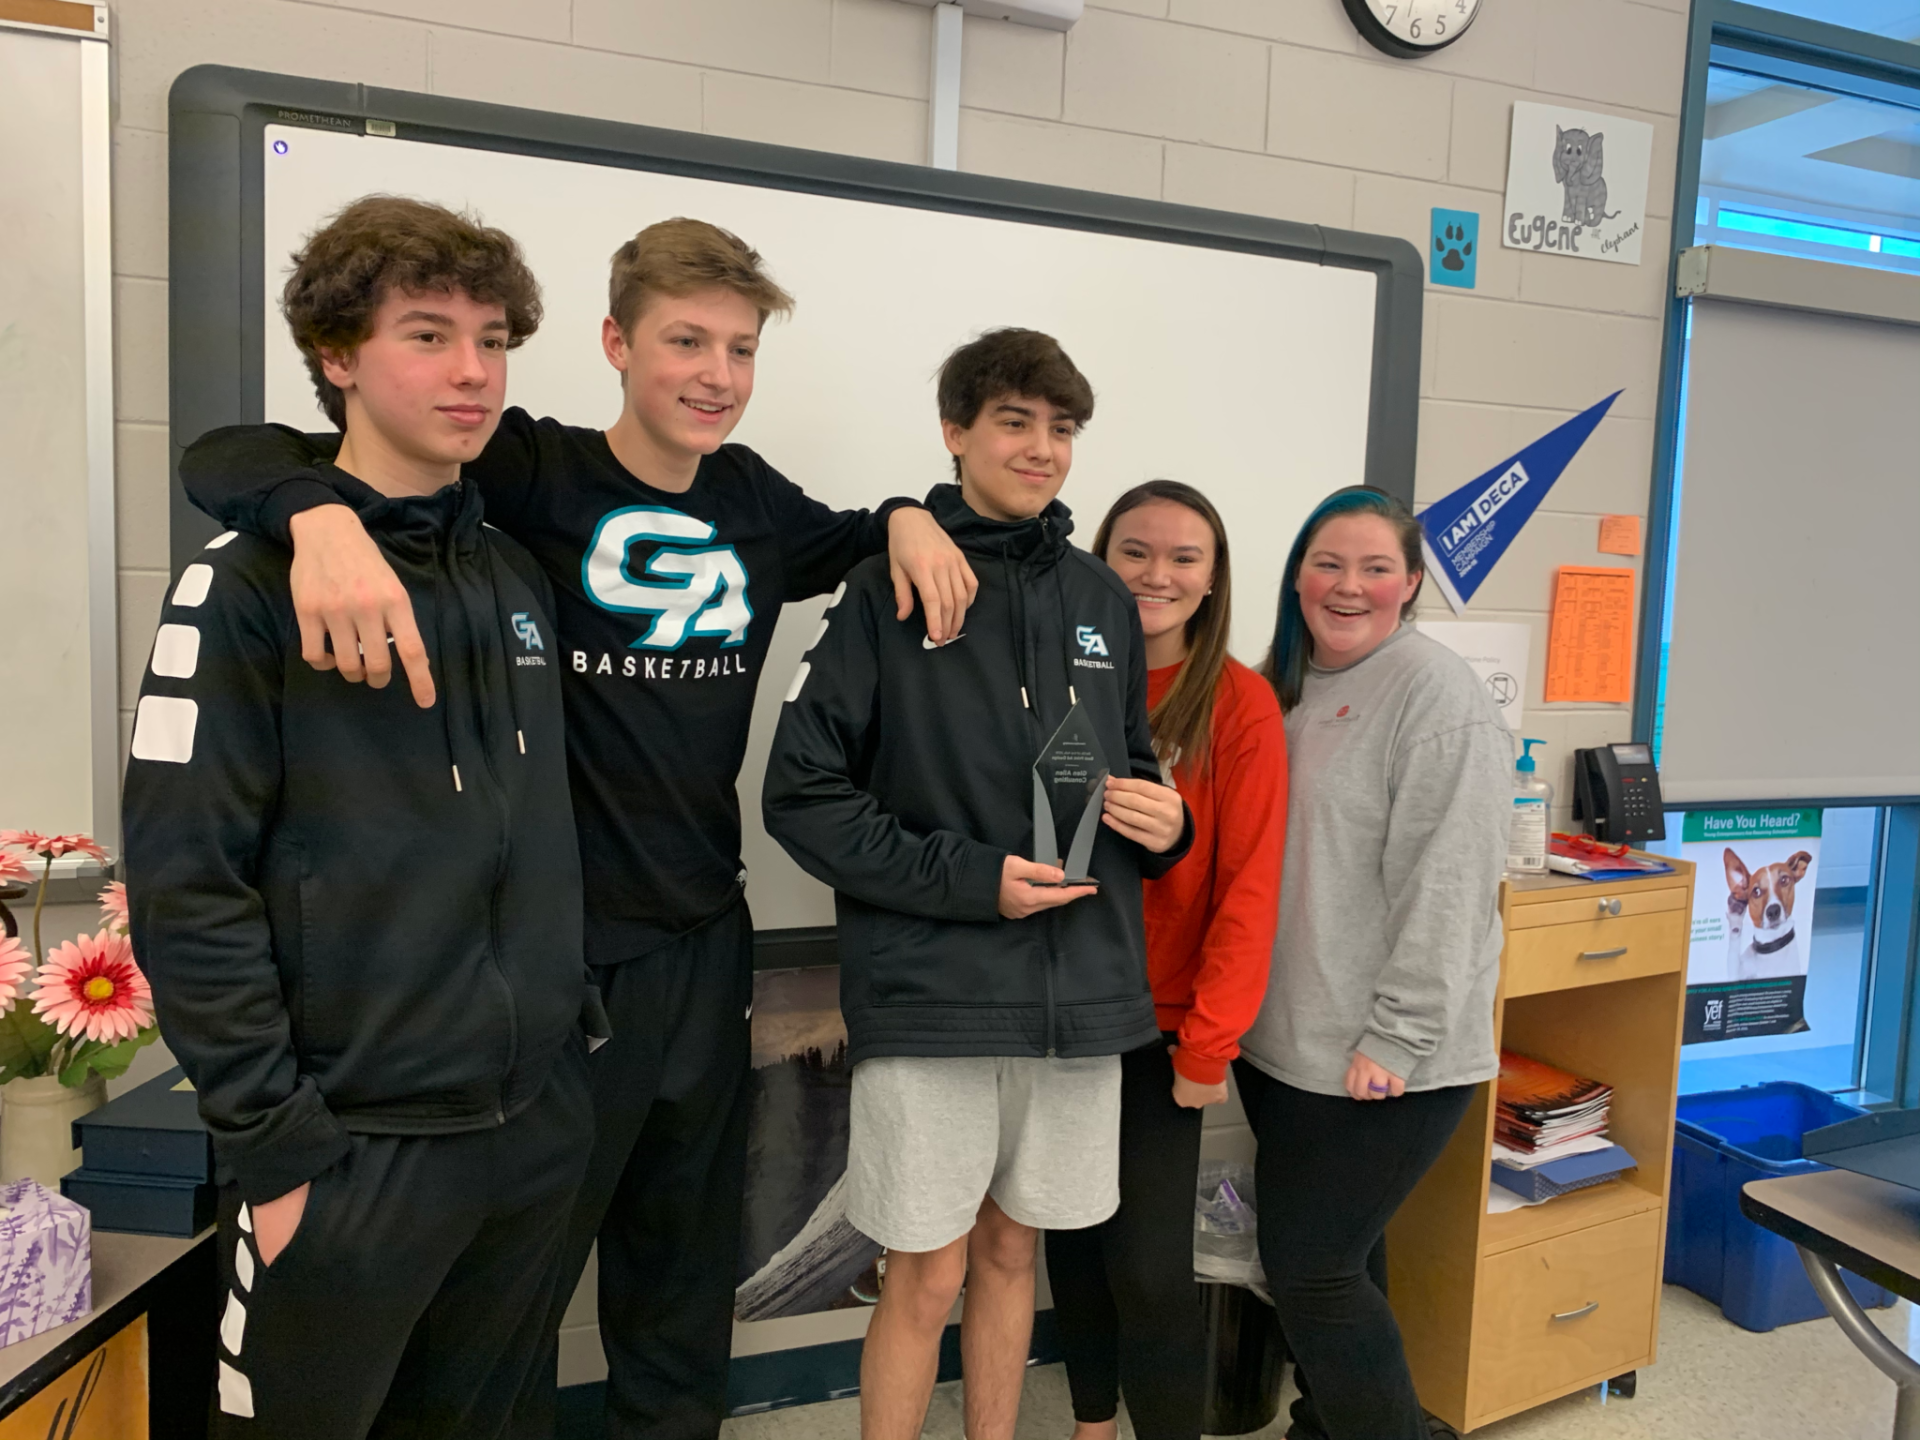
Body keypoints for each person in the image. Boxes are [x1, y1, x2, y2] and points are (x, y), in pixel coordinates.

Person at [176, 216, 979, 1440]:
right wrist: (315, 515)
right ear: (616, 342)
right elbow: (243, 452)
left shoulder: (755, 501)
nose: (716, 372)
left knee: (682, 1275)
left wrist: (913, 514)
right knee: (517, 1295)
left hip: (704, 944)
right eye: (685, 341)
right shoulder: (526, 473)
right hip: (554, 971)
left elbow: (862, 537)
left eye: (741, 348)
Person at [123, 197, 594, 1439]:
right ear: (337, 356)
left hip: (529, 1125)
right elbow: (187, 881)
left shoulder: (512, 576)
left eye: (492, 340)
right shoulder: (242, 585)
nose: (472, 372)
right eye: (428, 335)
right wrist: (274, 1147)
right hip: (350, 1147)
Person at [761, 329, 1192, 1440]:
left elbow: (1125, 769)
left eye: (1061, 428)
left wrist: (1167, 823)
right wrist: (968, 880)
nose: (1042, 449)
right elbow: (800, 796)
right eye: (1014, 422)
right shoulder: (882, 589)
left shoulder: (1103, 599)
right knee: (926, 1272)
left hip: (1077, 999)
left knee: (1014, 1253)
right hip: (938, 991)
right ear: (955, 432)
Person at [1237, 486, 1510, 1440]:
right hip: (1284, 1041)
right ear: (1297, 574)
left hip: (1381, 1053)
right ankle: (1331, 1424)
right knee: (1343, 1257)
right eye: (1327, 563)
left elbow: (1452, 882)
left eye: (1375, 567)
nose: (1347, 586)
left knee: (1309, 1268)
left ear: (1411, 583)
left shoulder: (1435, 693)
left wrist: (1395, 1034)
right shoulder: (1284, 683)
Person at [1045, 480, 1287, 1440]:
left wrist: (1208, 1049)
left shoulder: (1239, 703)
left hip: (1164, 1027)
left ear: (1214, 577)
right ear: (1098, 556)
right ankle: (1092, 1421)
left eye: (1185, 557)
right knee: (1071, 1235)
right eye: (1135, 551)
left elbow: (1250, 888)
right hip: (1059, 1013)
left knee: (1147, 1265)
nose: (1157, 573)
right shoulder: (1058, 678)